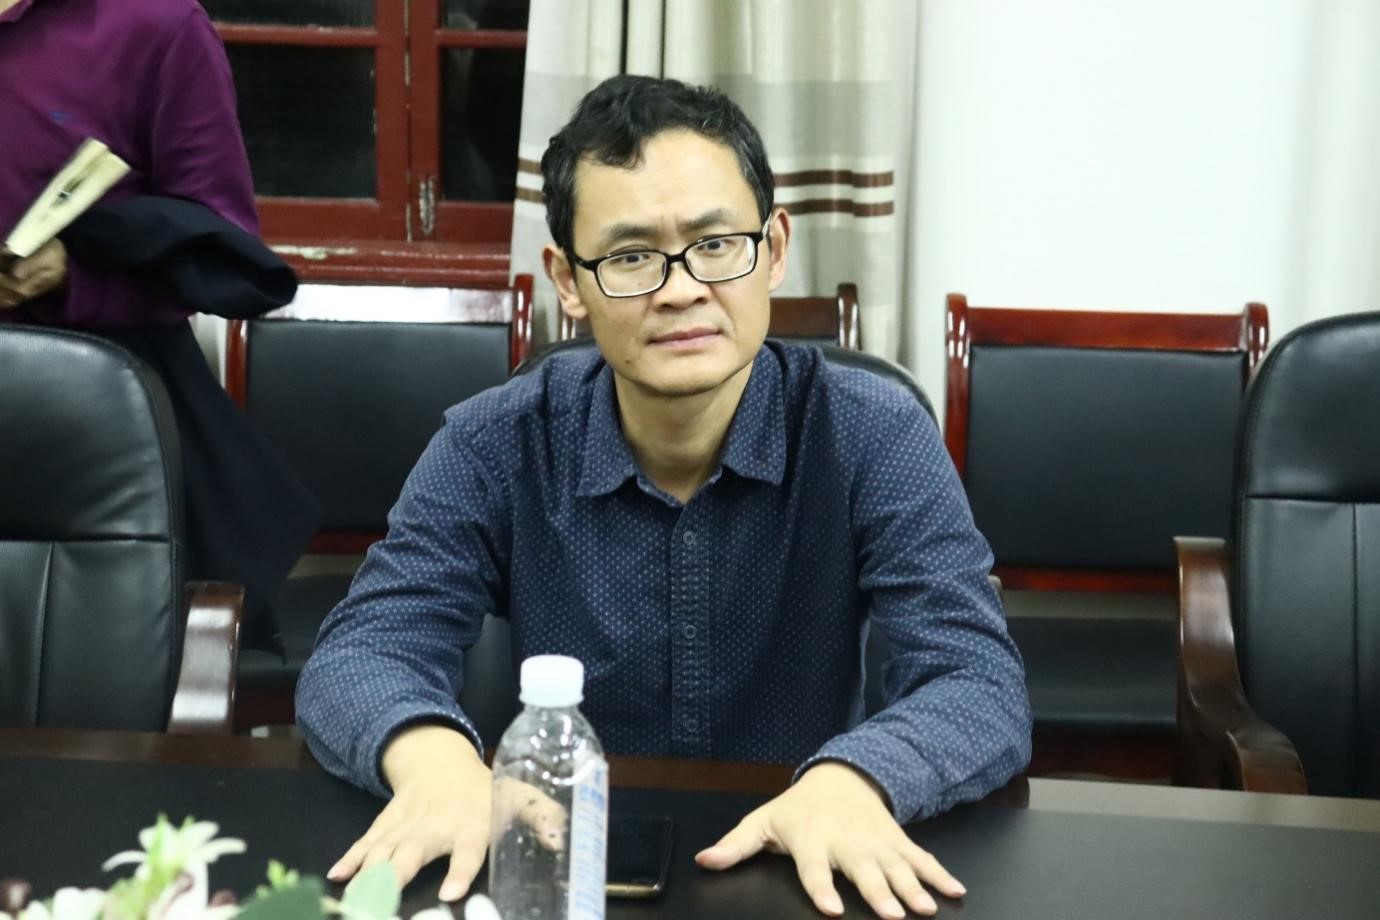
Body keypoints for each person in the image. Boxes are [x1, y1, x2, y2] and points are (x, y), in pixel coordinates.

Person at [297, 75, 1031, 919]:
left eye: (716, 244)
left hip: (799, 859)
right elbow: (363, 651)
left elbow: (977, 680)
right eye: (631, 257)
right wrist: (436, 765)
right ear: (568, 281)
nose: (682, 289)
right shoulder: (495, 441)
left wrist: (857, 779)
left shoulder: (873, 432)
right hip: (560, 871)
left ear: (775, 248)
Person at [0, 0, 319, 642]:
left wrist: (73, 271)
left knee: (91, 674)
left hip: (84, 442)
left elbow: (219, 250)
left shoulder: (155, 24)